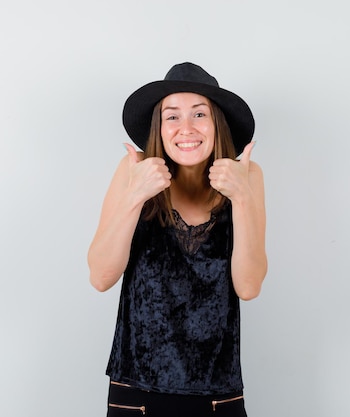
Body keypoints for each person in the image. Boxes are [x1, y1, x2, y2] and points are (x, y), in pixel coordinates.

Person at [88, 62, 267, 417]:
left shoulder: (247, 176)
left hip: (218, 394)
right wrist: (135, 196)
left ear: (217, 124)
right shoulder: (133, 170)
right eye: (172, 117)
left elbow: (248, 287)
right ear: (159, 126)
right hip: (136, 392)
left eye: (199, 114)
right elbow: (101, 277)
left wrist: (242, 197)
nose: (186, 128)